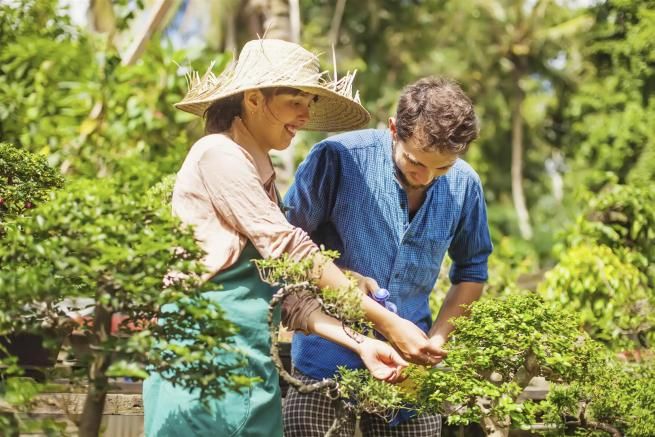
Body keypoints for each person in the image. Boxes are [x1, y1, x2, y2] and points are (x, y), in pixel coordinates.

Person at [143, 39, 436, 437]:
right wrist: (385, 323)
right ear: (253, 99)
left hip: (248, 366)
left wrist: (360, 343)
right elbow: (289, 248)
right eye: (295, 99)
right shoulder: (218, 153)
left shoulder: (259, 177)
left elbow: (291, 296)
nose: (306, 113)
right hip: (203, 362)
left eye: (311, 101)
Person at [283, 76, 493, 437]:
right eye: (416, 162)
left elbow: (472, 271)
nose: (426, 177)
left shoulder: (466, 185)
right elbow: (285, 246)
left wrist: (436, 341)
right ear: (394, 129)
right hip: (324, 368)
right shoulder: (339, 158)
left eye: (441, 168)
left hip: (408, 385)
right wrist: (345, 274)